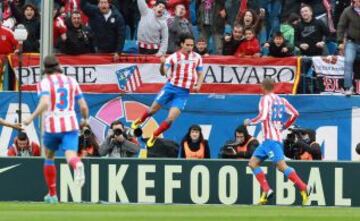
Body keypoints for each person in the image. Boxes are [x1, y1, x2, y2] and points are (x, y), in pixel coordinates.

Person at [23, 55, 89, 204]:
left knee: (49, 156)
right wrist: (85, 120)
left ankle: (52, 194)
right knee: (70, 154)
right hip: (71, 124)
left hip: (52, 125)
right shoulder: (72, 81)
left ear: (45, 68)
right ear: (58, 65)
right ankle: (77, 164)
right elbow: (83, 106)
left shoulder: (45, 83)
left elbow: (45, 102)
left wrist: (31, 118)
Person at [244, 78, 311, 205]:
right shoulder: (282, 100)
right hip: (268, 141)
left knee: (281, 166)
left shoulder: (265, 99)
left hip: (271, 140)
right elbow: (295, 114)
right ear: (273, 87)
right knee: (253, 163)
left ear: (263, 87)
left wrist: (250, 122)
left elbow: (262, 116)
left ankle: (304, 187)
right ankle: (266, 190)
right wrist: (285, 126)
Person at [131, 33, 204, 147]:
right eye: (187, 45)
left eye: (192, 45)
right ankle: (139, 120)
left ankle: (154, 136)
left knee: (170, 119)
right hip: (170, 88)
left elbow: (200, 72)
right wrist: (161, 64)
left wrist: (198, 85)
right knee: (152, 110)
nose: (190, 48)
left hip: (183, 93)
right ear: (182, 44)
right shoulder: (174, 57)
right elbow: (163, 72)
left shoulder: (197, 57)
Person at [337, 0, 360, 96]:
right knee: (348, 62)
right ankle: (348, 87)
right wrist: (340, 41)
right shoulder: (347, 11)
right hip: (352, 42)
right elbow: (341, 26)